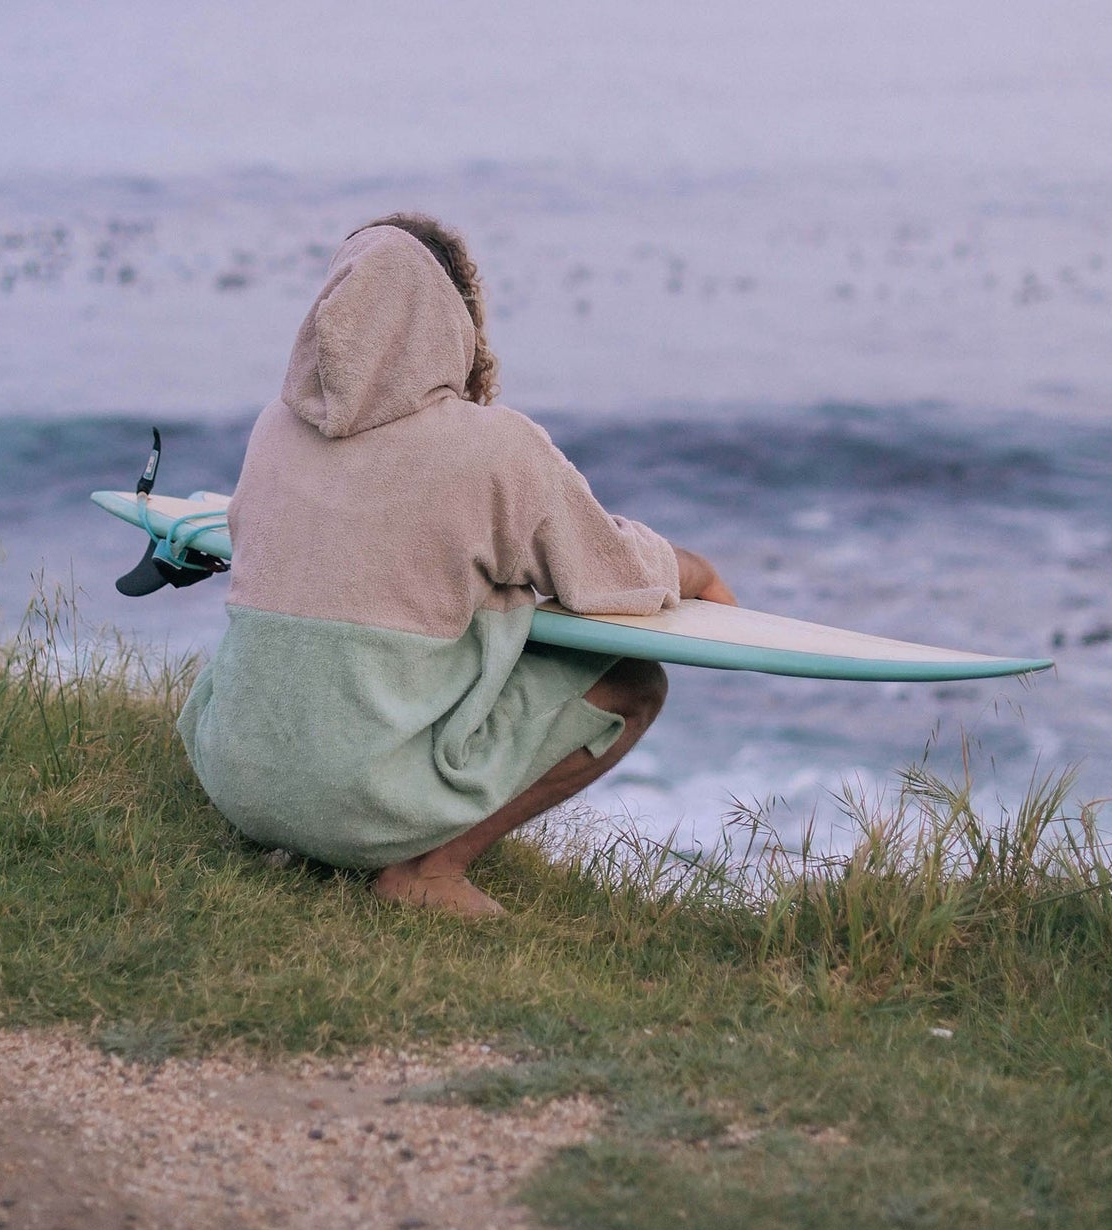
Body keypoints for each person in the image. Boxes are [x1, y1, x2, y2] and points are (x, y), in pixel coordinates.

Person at [178, 214, 735, 917]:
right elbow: (615, 573)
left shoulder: (273, 429)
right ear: (451, 321)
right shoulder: (496, 448)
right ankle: (427, 872)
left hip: (238, 784)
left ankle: (299, 829)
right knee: (635, 683)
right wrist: (698, 572)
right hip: (361, 802)